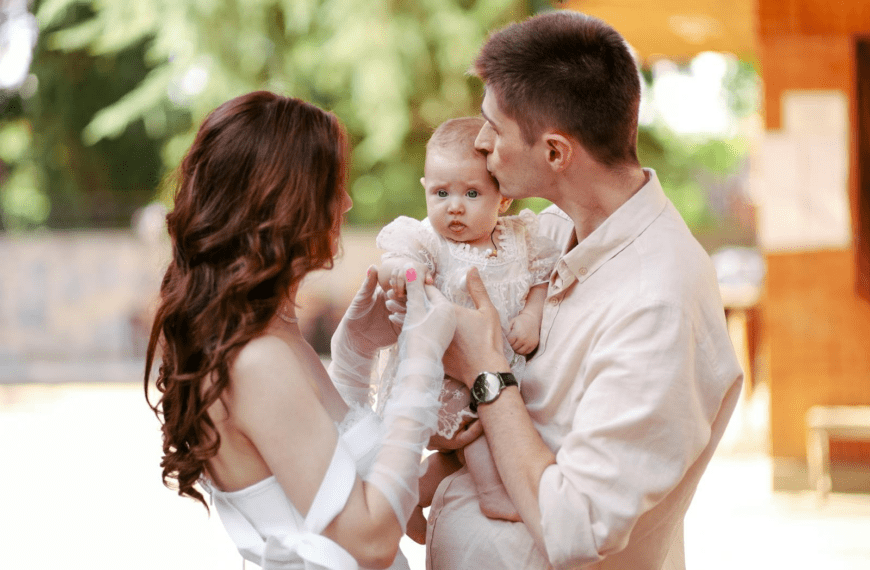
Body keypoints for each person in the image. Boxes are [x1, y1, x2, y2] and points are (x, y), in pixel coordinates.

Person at [424, 11, 744, 570]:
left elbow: (578, 528)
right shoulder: (541, 236)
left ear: (554, 152)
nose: (480, 142)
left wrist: (485, 374)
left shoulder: (656, 299)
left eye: (493, 129)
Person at [143, 91, 456, 570]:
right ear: (284, 203)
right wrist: (421, 364)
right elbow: (365, 542)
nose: (347, 203)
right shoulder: (258, 360)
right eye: (332, 187)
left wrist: (353, 355)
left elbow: (326, 471)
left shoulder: (267, 335)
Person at [372, 116, 560, 537]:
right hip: (448, 371)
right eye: (441, 193)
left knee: (464, 451)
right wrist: (405, 272)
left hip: (501, 369)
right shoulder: (428, 241)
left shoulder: (521, 238)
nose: (454, 206)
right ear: (425, 188)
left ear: (503, 199)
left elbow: (543, 278)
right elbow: (392, 261)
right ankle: (494, 492)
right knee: (476, 434)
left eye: (472, 193)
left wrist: (532, 313)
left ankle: (410, 494)